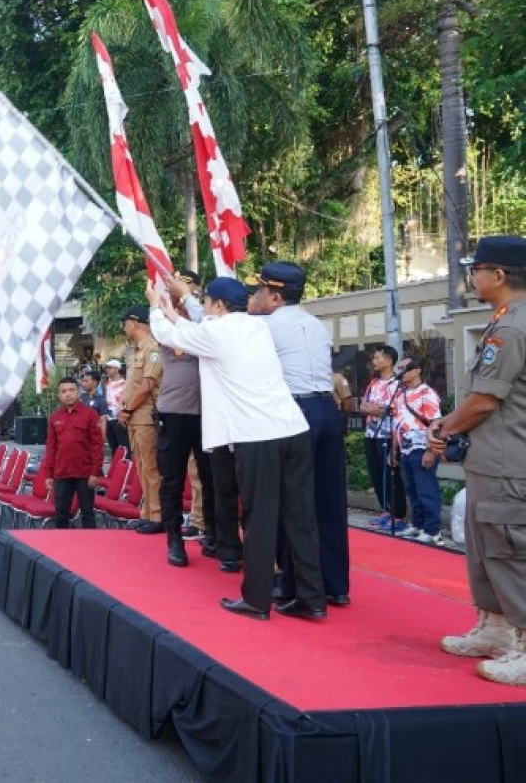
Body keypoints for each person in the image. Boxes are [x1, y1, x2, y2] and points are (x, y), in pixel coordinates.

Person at [148, 277, 326, 621]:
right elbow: (192, 327)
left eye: (208, 303)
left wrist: (157, 306)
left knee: (258, 518)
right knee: (300, 518)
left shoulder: (216, 334)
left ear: (217, 306)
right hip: (293, 429)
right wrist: (175, 308)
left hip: (258, 437)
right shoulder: (257, 327)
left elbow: (173, 335)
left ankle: (257, 600)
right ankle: (311, 598)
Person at [428, 235, 526, 685]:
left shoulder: (512, 329)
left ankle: (522, 640)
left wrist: (444, 427)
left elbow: (485, 400)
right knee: (486, 548)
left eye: (478, 269)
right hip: (492, 459)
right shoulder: (503, 321)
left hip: (509, 461)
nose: (474, 276)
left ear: (499, 275)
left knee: (509, 550)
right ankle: (497, 628)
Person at [251, 262, 351, 607]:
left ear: (275, 296)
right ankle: (335, 583)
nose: (256, 295)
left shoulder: (263, 326)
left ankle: (292, 583)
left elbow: (218, 330)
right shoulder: (315, 324)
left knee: (290, 501)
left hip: (296, 411)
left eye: (260, 290)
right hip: (327, 409)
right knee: (329, 500)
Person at [150, 277, 215, 567]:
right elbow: (162, 327)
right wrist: (162, 304)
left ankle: (215, 535)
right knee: (172, 480)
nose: (182, 304)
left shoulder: (206, 331)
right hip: (174, 415)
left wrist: (188, 301)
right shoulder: (169, 332)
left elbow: (205, 320)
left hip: (208, 415)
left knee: (213, 480)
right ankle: (174, 539)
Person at [389, 355, 444, 546]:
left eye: (404, 368)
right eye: (399, 369)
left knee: (426, 489)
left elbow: (436, 423)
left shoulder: (426, 392)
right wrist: (394, 450)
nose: (400, 373)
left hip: (422, 447)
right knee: (411, 489)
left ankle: (433, 530)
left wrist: (431, 450)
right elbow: (397, 424)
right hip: (404, 448)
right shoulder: (399, 394)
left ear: (417, 370)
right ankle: (418, 524)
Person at [117, 306, 164, 533]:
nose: (124, 327)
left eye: (125, 322)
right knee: (142, 467)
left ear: (134, 322)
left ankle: (157, 516)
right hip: (135, 417)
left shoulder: (152, 348)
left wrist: (127, 408)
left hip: (145, 416)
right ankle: (147, 512)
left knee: (151, 468)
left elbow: (147, 386)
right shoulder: (136, 350)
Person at [39, 377, 104, 529]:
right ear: (59, 395)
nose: (68, 394)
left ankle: (92, 547)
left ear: (78, 392)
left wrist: (95, 472)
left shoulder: (90, 415)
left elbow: (97, 445)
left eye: (71, 390)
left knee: (87, 513)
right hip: (62, 473)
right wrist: (48, 474)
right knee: (61, 513)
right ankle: (62, 548)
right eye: (63, 391)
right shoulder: (55, 417)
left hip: (85, 473)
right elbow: (51, 447)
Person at [361, 346, 407, 528]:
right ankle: (386, 510)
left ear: (388, 361)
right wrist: (373, 409)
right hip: (371, 434)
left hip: (388, 435)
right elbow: (363, 406)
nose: (374, 361)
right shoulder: (373, 383)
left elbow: (395, 409)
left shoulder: (397, 384)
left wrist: (376, 409)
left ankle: (399, 515)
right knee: (376, 474)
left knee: (391, 475)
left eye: (377, 358)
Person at [103, 360, 127, 455]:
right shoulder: (106, 384)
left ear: (117, 369)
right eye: (107, 368)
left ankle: (125, 467)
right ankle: (115, 467)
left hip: (120, 418)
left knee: (124, 445)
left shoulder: (125, 384)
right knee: (113, 446)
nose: (107, 370)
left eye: (110, 368)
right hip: (108, 418)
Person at [77, 369, 108, 444]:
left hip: (93, 435)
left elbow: (103, 420)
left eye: (87, 381)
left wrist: (102, 438)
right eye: (83, 381)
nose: (83, 384)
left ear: (95, 382)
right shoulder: (79, 397)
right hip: (79, 434)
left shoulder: (101, 400)